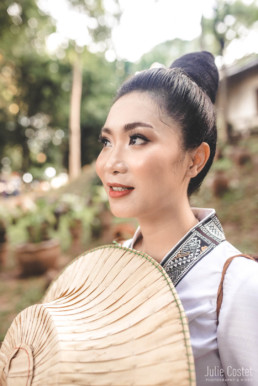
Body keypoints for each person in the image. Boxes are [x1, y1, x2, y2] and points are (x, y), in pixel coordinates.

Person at [96, 51, 258, 385]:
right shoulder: (108, 268)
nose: (111, 162)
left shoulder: (237, 286)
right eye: (106, 141)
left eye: (137, 139)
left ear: (195, 159)